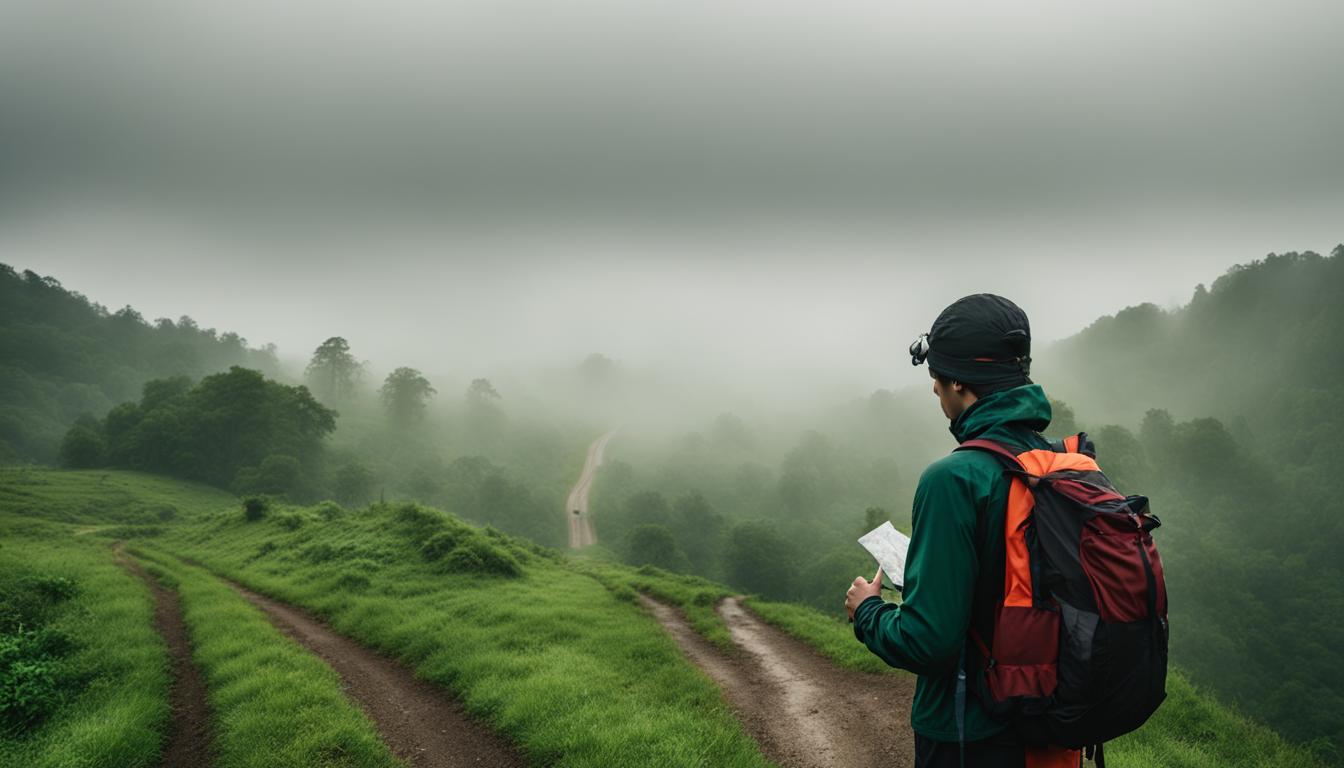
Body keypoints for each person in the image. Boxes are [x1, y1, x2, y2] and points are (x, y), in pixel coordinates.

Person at [844, 294, 1079, 768]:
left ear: (958, 383)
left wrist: (867, 611)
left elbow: (928, 642)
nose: (934, 391)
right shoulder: (1064, 464)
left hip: (970, 734)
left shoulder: (953, 479)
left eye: (936, 378)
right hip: (1054, 727)